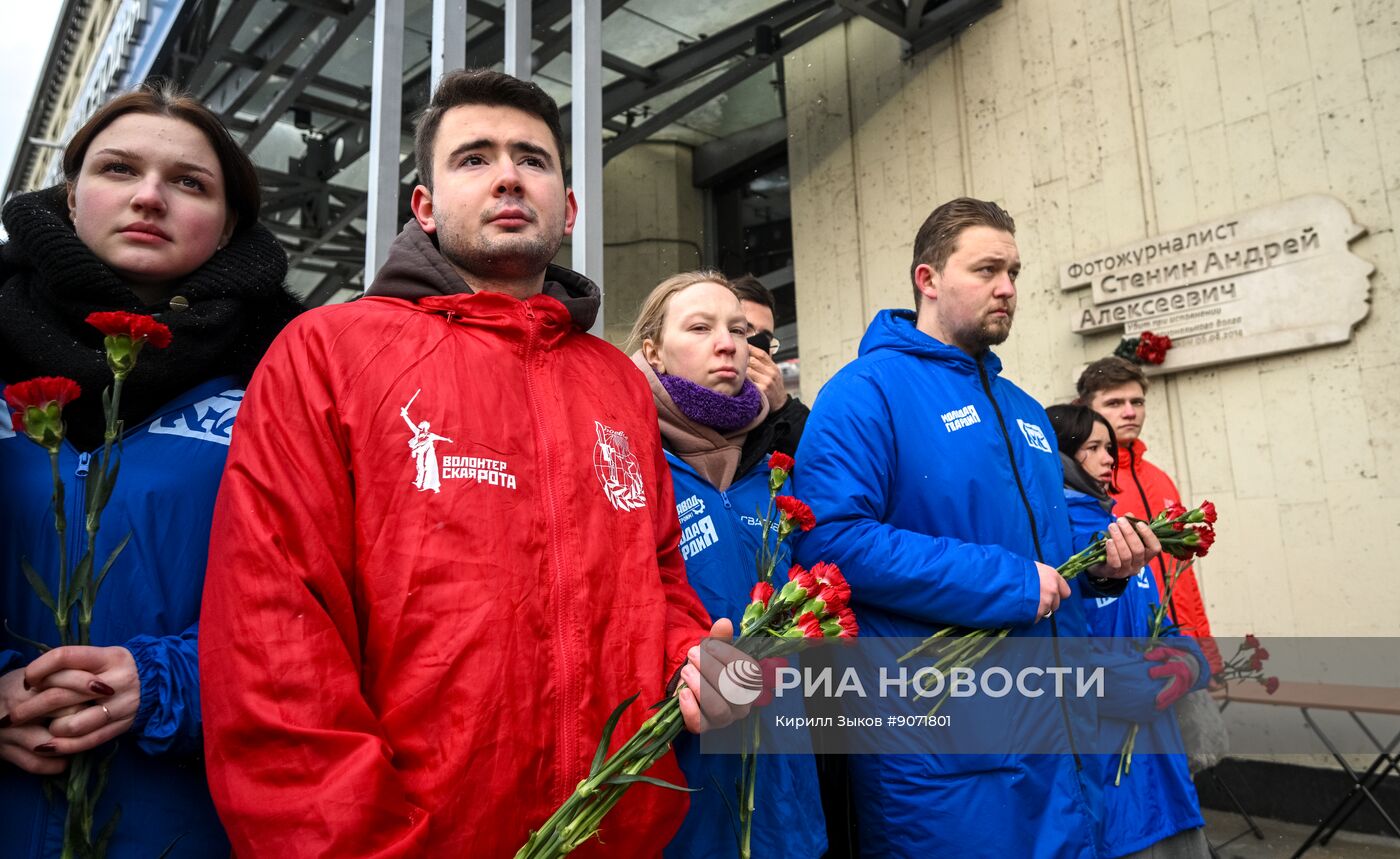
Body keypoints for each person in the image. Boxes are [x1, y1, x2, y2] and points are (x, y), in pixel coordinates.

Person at [199, 69, 750, 858]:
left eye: (531, 157)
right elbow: (274, 646)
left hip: (617, 835)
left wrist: (686, 654)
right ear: (424, 207)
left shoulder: (616, 382)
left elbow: (656, 575)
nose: (505, 176)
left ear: (567, 208)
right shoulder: (328, 353)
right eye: (473, 158)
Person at [792, 197, 1161, 857]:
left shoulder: (1024, 409)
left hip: (1059, 739)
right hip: (942, 751)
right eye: (987, 268)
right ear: (927, 279)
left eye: (1014, 271)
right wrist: (1011, 582)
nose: (1008, 288)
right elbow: (832, 541)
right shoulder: (865, 391)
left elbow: (1039, 554)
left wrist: (1098, 563)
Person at [0, 83, 303, 857]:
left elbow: (334, 607)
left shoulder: (292, 377)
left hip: (188, 817)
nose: (148, 197)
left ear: (229, 223)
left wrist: (176, 682)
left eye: (189, 182)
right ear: (70, 199)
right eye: (118, 170)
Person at [625, 271, 825, 859]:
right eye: (700, 327)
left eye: (739, 330)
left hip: (782, 794)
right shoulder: (625, 461)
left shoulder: (776, 471)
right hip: (674, 785)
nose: (728, 343)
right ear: (653, 351)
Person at [1047, 404, 1210, 859]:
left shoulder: (1125, 532)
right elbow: (1048, 648)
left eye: (1110, 448)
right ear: (1058, 455)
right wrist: (1115, 684)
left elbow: (1163, 619)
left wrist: (1186, 662)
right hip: (1099, 755)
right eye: (1093, 448)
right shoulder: (1051, 539)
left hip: (1161, 756)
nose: (1108, 458)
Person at [1076, 356, 1223, 677]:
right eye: (1114, 402)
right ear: (1085, 407)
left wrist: (1204, 651)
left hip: (1181, 652)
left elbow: (1181, 576)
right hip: (1130, 661)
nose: (1130, 412)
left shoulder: (1159, 478)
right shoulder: (1083, 484)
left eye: (1137, 401)